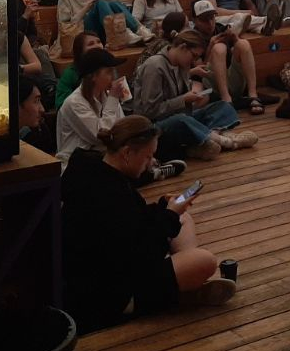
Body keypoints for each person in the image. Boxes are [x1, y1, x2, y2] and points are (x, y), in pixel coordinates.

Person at [61, 115, 235, 334]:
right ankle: (184, 289)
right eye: (148, 156)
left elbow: (134, 221)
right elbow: (141, 255)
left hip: (114, 267)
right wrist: (169, 215)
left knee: (183, 218)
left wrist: (164, 208)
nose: (151, 162)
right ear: (127, 153)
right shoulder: (108, 194)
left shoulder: (98, 172)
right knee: (204, 260)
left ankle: (185, 284)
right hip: (108, 294)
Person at [131, 28, 256, 160]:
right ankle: (226, 141)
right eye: (194, 56)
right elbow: (149, 111)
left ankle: (204, 141)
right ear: (183, 47)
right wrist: (183, 99)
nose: (194, 61)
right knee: (181, 120)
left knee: (224, 106)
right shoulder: (155, 66)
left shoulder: (181, 64)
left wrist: (192, 97)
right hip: (156, 126)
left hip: (182, 115)